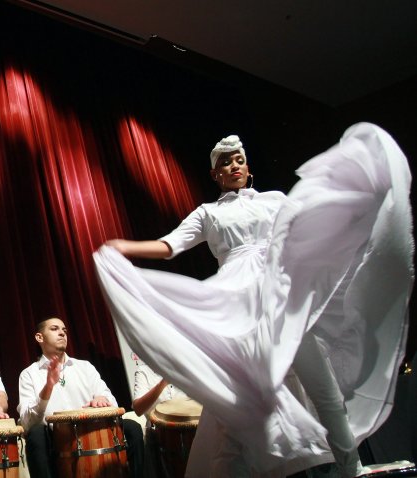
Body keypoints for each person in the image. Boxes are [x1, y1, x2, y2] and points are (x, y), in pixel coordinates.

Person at [94, 126, 413, 477]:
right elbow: (170, 245)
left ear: (248, 168)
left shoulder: (275, 200)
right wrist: (125, 247)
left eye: (239, 160)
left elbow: (309, 225)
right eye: (226, 163)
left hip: (280, 296)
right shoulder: (208, 213)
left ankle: (351, 468)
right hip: (238, 305)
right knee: (245, 402)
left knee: (323, 389)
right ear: (215, 174)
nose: (234, 166)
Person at [18, 317, 145, 478]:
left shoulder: (84, 367)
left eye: (64, 330)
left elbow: (112, 402)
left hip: (93, 430)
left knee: (132, 427)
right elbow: (28, 422)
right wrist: (48, 387)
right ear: (39, 337)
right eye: (54, 329)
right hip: (56, 437)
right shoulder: (29, 374)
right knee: (36, 435)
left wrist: (101, 399)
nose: (62, 333)